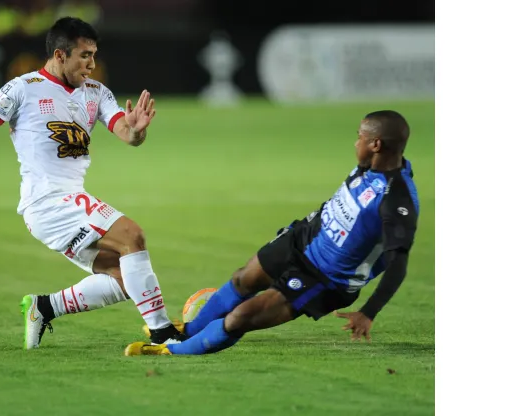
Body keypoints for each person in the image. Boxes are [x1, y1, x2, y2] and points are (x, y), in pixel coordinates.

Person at [0, 16, 186, 349]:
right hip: (47, 201)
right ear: (60, 55)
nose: (92, 64)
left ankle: (44, 307)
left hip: (68, 200)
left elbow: (126, 134)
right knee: (133, 236)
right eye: (84, 55)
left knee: (126, 277)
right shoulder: (22, 88)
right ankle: (162, 332)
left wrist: (137, 129)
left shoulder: (96, 92)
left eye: (94, 55)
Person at [126, 110, 419, 356]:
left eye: (360, 138)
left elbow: (399, 262)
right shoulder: (368, 167)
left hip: (324, 278)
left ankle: (172, 351)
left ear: (376, 144)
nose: (356, 143)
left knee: (240, 319)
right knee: (243, 278)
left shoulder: (397, 199)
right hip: (304, 238)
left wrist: (369, 311)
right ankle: (185, 332)